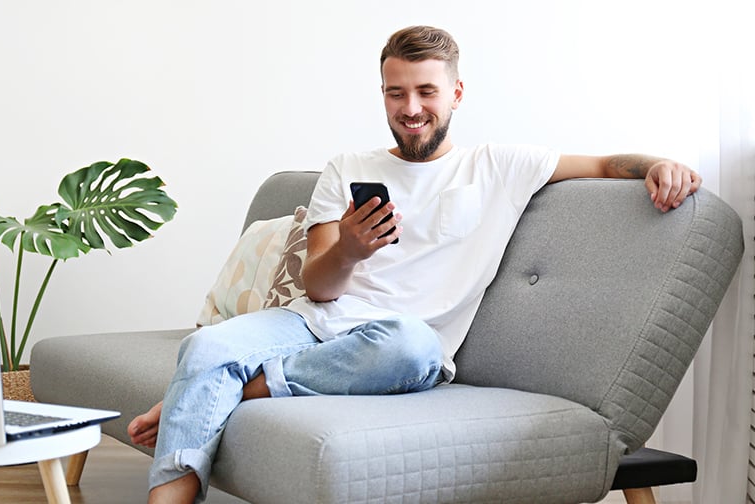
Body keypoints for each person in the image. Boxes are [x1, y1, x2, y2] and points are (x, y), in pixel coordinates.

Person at [130, 25, 701, 504]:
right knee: (202, 349)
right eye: (394, 94)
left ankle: (236, 387)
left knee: (414, 345)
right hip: (314, 324)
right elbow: (319, 291)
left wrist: (660, 163)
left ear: (456, 93)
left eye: (426, 92)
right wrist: (350, 249)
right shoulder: (347, 166)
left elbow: (604, 162)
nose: (411, 110)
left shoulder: (500, 166)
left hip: (397, 347)